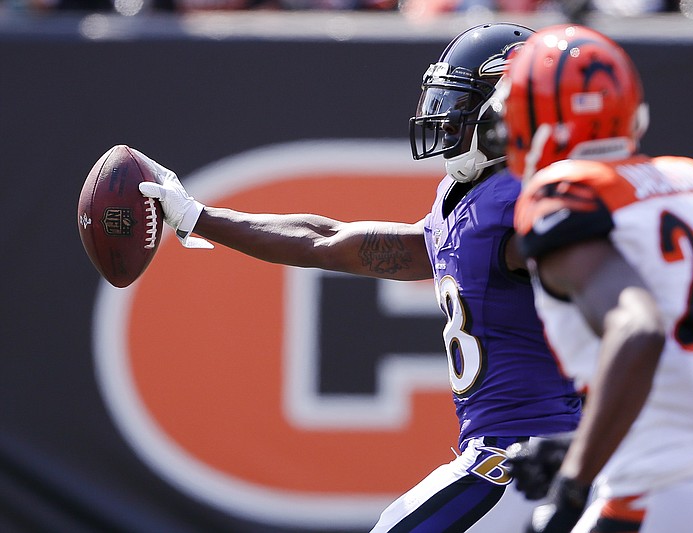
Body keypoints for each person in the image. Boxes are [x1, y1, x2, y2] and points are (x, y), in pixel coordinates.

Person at [136, 22, 582, 532]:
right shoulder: (468, 202)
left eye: (462, 103)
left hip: (524, 461)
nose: (444, 116)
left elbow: (615, 297)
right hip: (521, 458)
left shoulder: (529, 201)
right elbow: (329, 240)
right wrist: (197, 216)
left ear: (510, 111)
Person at [499, 24, 693, 532]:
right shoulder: (688, 180)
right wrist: (582, 443)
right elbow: (683, 388)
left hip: (664, 494)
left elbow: (638, 330)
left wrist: (572, 486)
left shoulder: (564, 195)